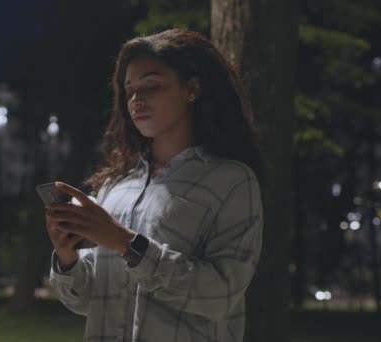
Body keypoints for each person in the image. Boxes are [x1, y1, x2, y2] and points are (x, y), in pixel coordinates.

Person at [45, 28, 263, 342]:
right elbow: (85, 300)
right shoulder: (115, 185)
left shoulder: (231, 181)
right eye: (129, 89)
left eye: (152, 85)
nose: (137, 100)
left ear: (192, 89)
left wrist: (126, 244)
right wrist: (66, 256)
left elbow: (220, 295)